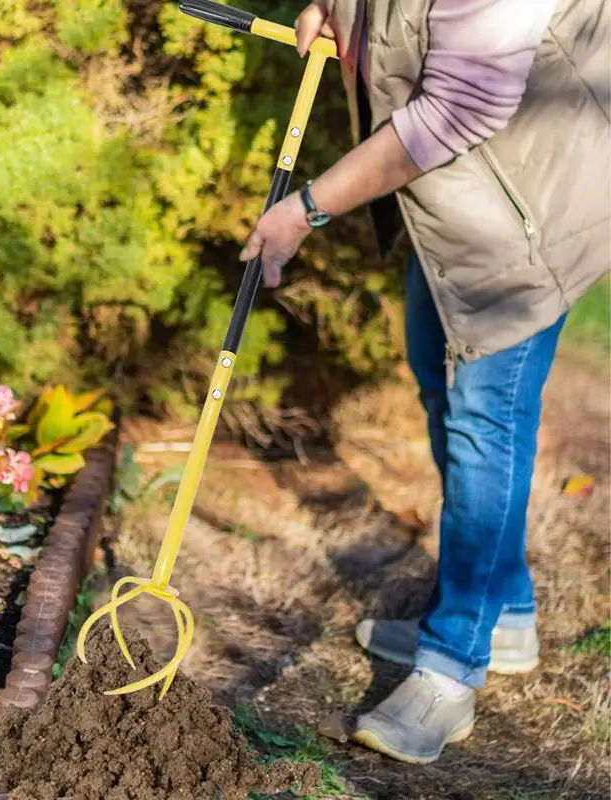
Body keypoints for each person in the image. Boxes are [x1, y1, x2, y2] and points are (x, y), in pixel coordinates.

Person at [239, 0, 610, 765]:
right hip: (459, 199)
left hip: (528, 210)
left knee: (485, 420)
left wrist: (304, 211)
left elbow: (457, 109)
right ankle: (499, 614)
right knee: (437, 384)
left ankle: (450, 667)